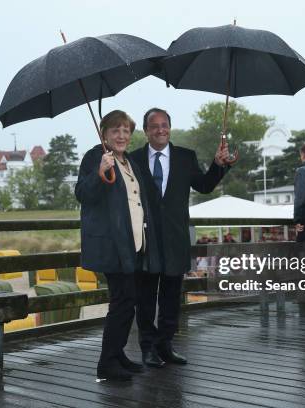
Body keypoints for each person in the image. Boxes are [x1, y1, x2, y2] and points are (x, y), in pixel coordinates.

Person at [130, 107, 230, 368]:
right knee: (146, 298)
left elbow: (205, 186)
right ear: (146, 131)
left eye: (164, 124)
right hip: (146, 240)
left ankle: (165, 345)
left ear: (169, 128)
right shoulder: (133, 160)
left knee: (172, 297)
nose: (160, 129)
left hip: (175, 238)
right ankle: (148, 348)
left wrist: (219, 165)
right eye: (154, 126)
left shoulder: (186, 157)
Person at [75, 110, 161, 381]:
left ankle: (117, 354)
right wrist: (99, 173)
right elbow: (83, 194)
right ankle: (106, 363)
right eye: (115, 131)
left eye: (126, 131)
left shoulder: (129, 162)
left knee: (128, 301)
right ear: (104, 134)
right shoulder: (95, 157)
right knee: (122, 301)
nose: (122, 136)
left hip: (135, 244)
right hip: (113, 246)